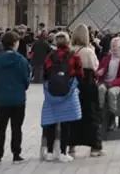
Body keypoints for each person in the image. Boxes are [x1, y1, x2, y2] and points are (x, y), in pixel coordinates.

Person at [41, 31, 83, 163]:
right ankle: (63, 152)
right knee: (66, 124)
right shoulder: (75, 56)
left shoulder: (49, 56)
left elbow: (45, 74)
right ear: (68, 42)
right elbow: (80, 74)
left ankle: (49, 152)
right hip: (68, 93)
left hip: (52, 94)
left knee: (51, 122)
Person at [0, 30, 31, 163]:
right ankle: (16, 153)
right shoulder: (21, 60)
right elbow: (26, 79)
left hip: (1, 99)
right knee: (16, 128)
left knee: (0, 128)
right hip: (18, 98)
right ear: (14, 43)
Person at [67, 24, 104, 157]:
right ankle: (95, 147)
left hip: (72, 85)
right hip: (87, 84)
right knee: (91, 115)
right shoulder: (88, 51)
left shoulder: (69, 50)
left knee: (72, 115)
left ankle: (71, 146)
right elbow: (95, 67)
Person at [97, 36, 120, 131]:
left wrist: (114, 83)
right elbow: (99, 70)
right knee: (101, 89)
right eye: (113, 46)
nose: (114, 49)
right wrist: (99, 72)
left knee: (111, 93)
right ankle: (100, 116)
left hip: (116, 84)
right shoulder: (106, 58)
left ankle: (112, 119)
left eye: (117, 47)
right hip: (104, 82)